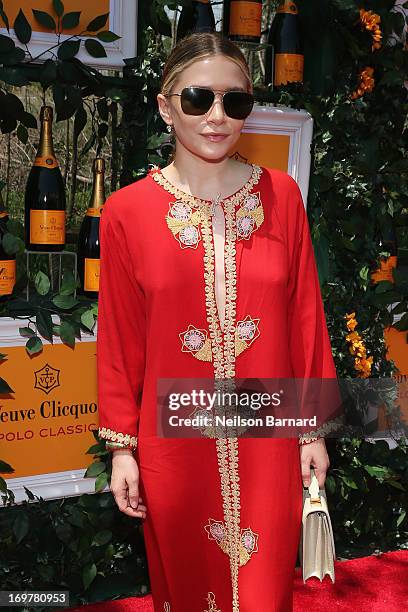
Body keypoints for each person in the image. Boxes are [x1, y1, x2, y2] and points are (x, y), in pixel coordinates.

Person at [96, 32, 340, 612]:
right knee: (182, 587)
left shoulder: (281, 197)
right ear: (164, 104)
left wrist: (312, 431)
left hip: (269, 443)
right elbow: (120, 339)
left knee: (263, 594)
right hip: (172, 447)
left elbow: (305, 319)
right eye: (198, 98)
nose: (216, 116)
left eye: (235, 102)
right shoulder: (126, 212)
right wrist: (122, 449)